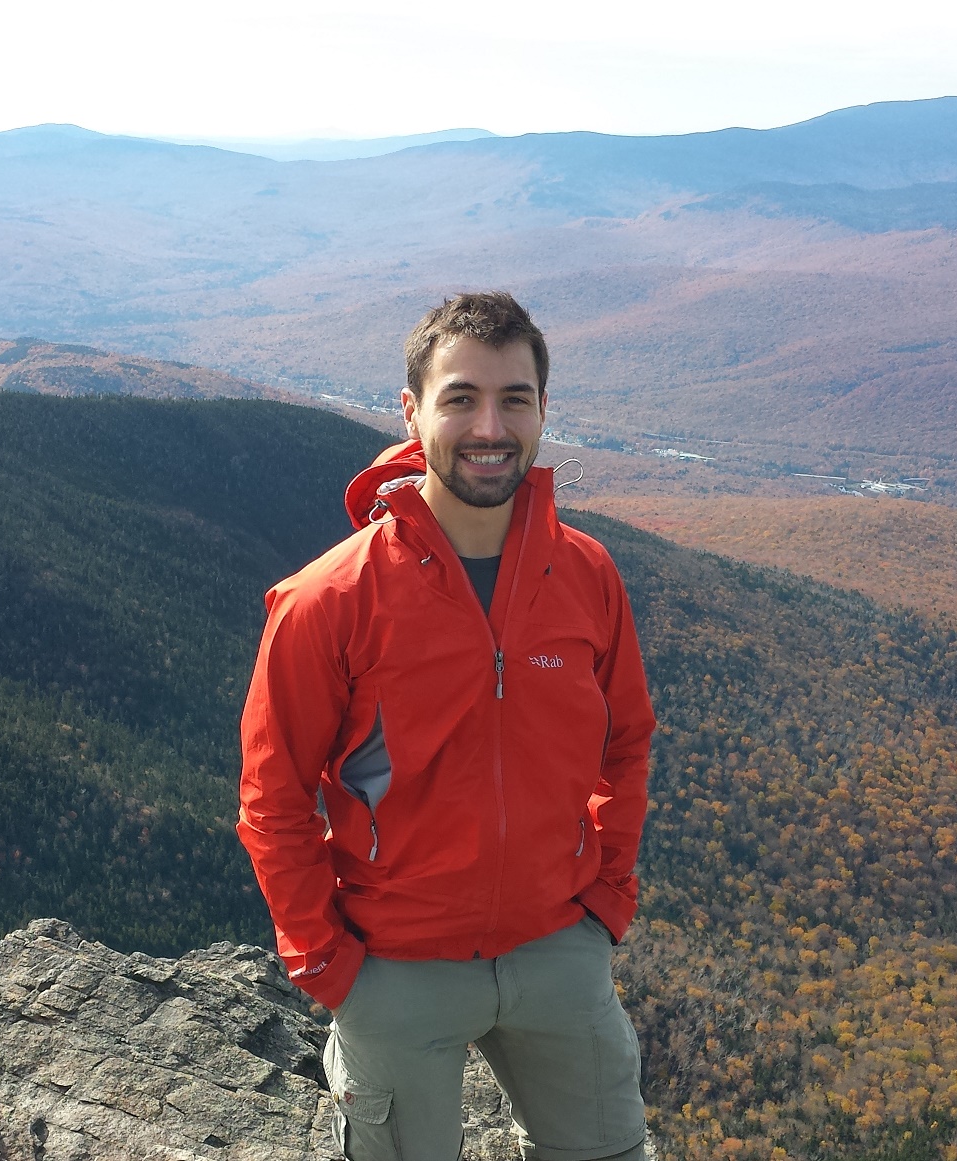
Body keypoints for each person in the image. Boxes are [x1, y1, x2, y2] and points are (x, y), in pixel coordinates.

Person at [237, 291, 656, 1161]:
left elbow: (626, 742)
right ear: (412, 411)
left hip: (557, 947)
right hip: (396, 962)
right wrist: (329, 963)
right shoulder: (329, 601)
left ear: (543, 410)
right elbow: (273, 798)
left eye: (514, 399)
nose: (489, 427)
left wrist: (605, 899)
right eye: (461, 398)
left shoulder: (587, 575)